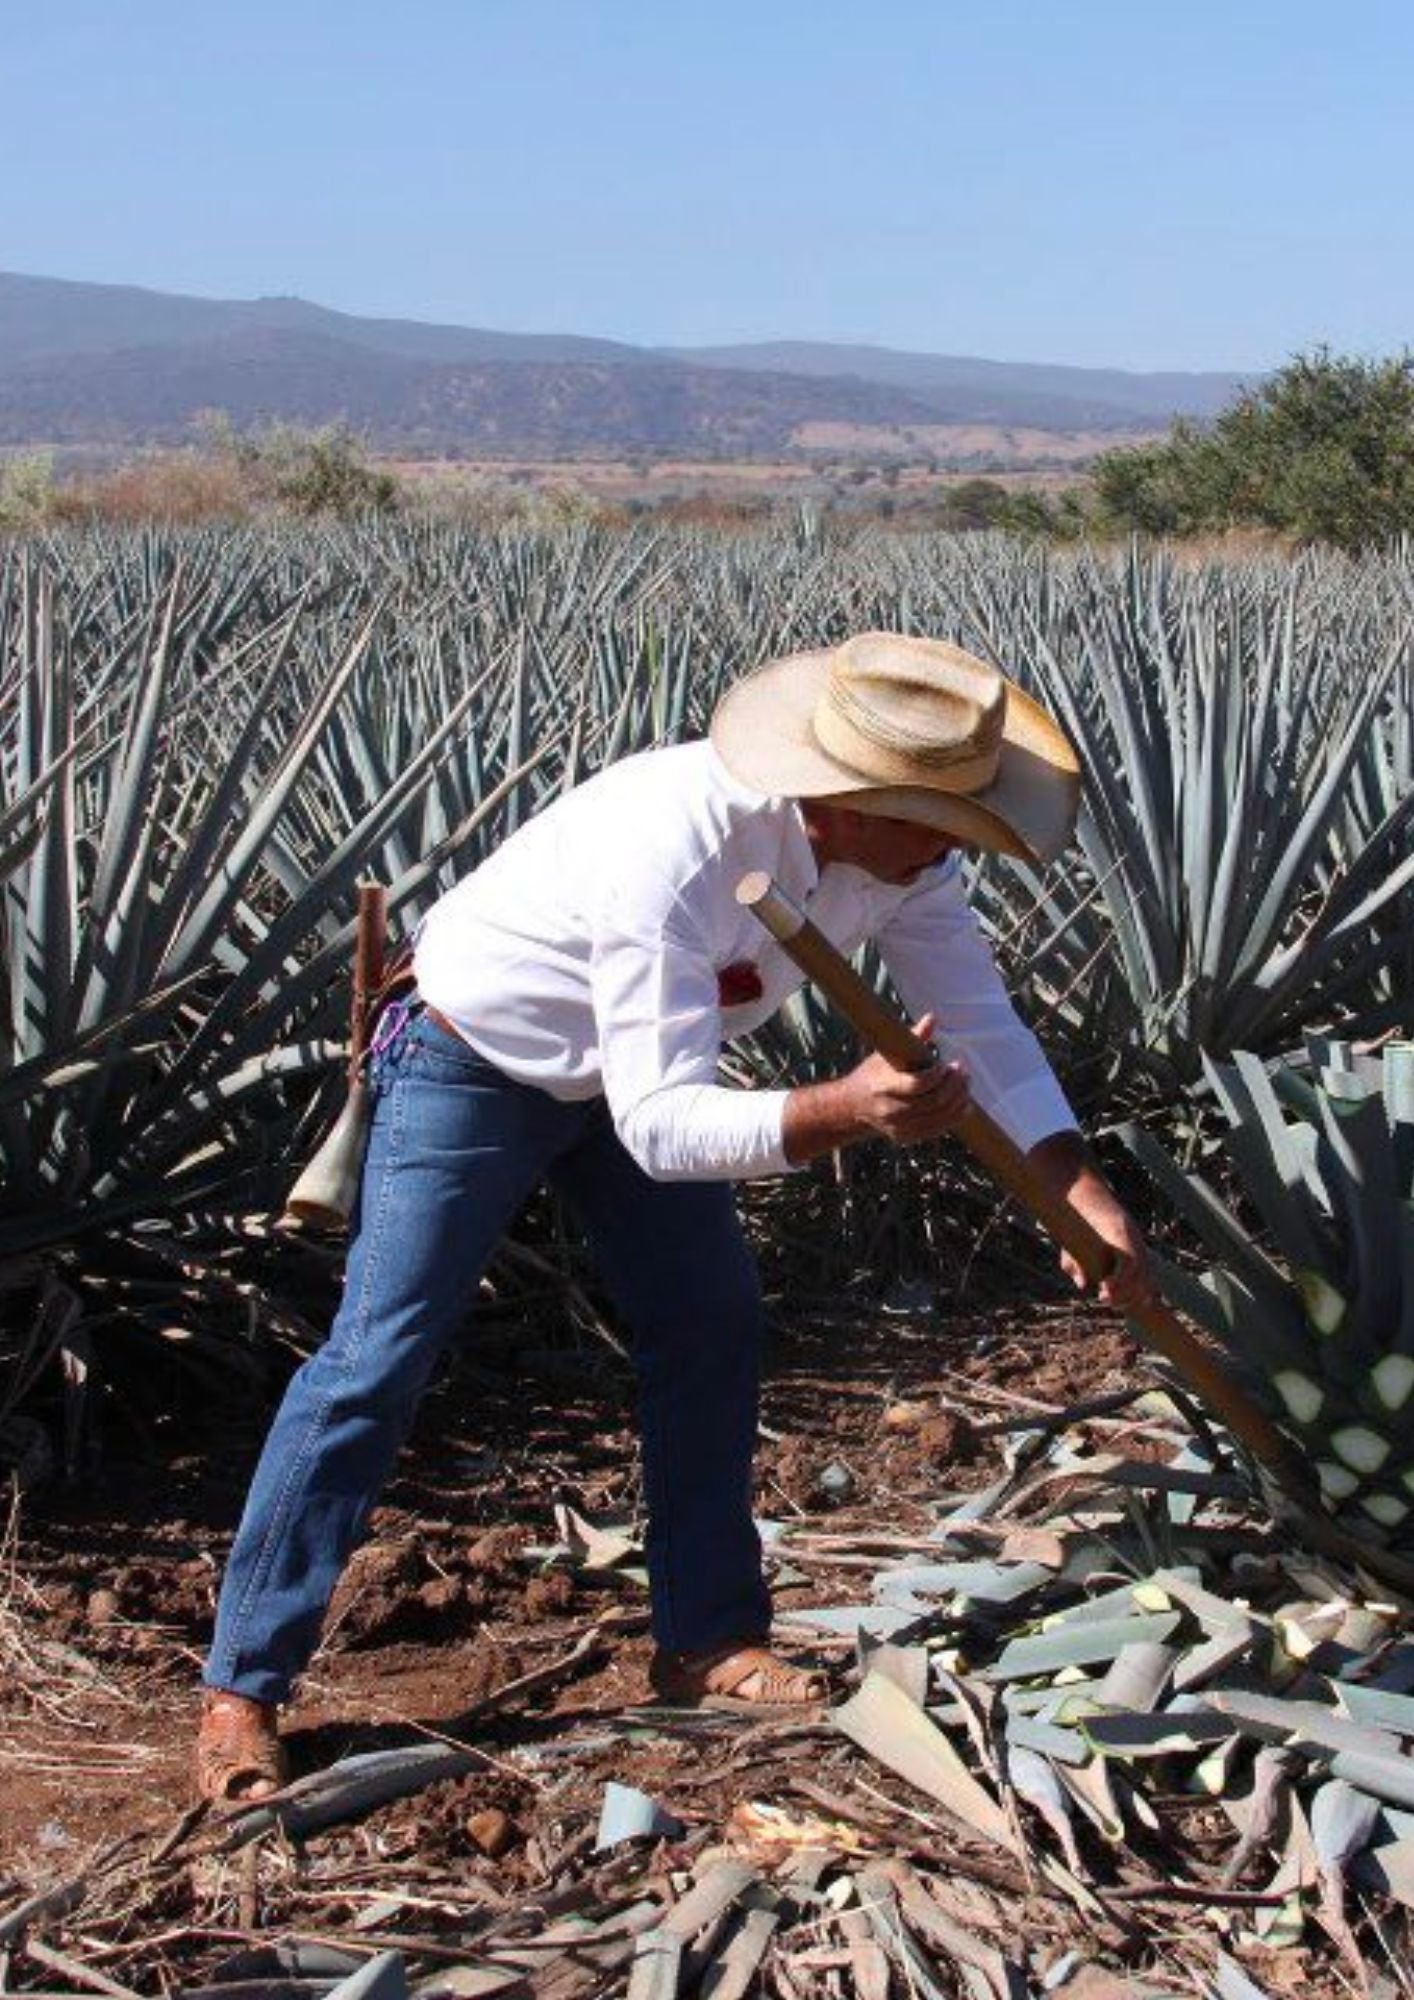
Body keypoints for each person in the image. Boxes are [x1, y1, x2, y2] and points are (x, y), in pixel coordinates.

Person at [195, 631, 1152, 1801]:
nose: (954, 848)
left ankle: (706, 1638)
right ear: (843, 796)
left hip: (648, 1079)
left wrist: (1077, 1185)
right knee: (378, 1355)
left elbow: (981, 1023)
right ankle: (243, 1686)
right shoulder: (677, 842)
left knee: (709, 1324)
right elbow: (661, 1129)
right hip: (475, 1061)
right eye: (932, 821)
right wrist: (846, 1109)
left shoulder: (906, 862)